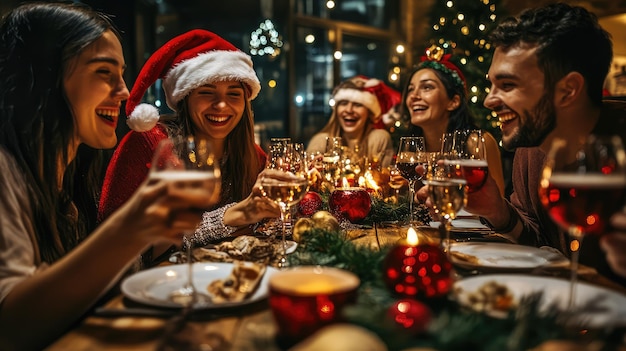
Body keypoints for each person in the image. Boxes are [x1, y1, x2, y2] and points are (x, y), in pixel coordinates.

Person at [0, 3, 220, 350]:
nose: (123, 91)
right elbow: (11, 329)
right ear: (44, 77)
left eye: (121, 73)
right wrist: (131, 227)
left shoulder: (68, 174)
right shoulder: (5, 170)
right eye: (104, 72)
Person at [427, 3, 626, 283]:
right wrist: (498, 211)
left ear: (568, 90)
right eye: (491, 85)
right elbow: (540, 242)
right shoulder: (530, 147)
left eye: (507, 85)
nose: (489, 100)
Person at [98, 29, 281, 261]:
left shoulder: (251, 154)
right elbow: (115, 242)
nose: (222, 105)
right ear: (185, 98)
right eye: (206, 92)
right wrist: (227, 218)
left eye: (234, 95)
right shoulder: (150, 142)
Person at [401, 45, 506, 196]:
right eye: (411, 89)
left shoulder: (477, 142)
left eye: (427, 87)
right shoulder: (410, 147)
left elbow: (498, 206)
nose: (414, 96)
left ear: (453, 102)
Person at [306, 75, 401, 168]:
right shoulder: (321, 141)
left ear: (369, 112)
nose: (349, 110)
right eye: (343, 103)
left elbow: (383, 179)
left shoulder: (379, 138)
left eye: (357, 105)